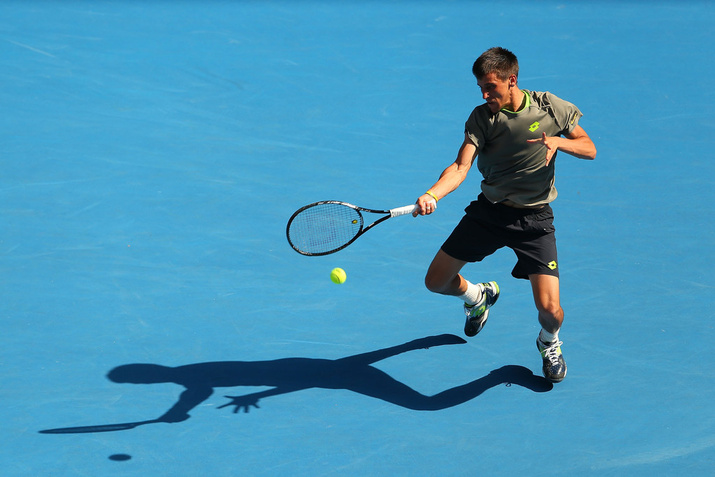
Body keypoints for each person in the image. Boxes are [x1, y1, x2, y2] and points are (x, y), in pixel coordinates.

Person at [413, 47, 596, 383]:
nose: (485, 94)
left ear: (512, 80)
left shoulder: (549, 107)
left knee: (551, 312)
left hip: (535, 223)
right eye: (481, 87)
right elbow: (460, 166)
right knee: (435, 282)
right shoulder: (482, 118)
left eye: (491, 87)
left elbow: (589, 147)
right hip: (490, 214)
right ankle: (476, 296)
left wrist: (559, 142)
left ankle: (548, 342)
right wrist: (432, 194)